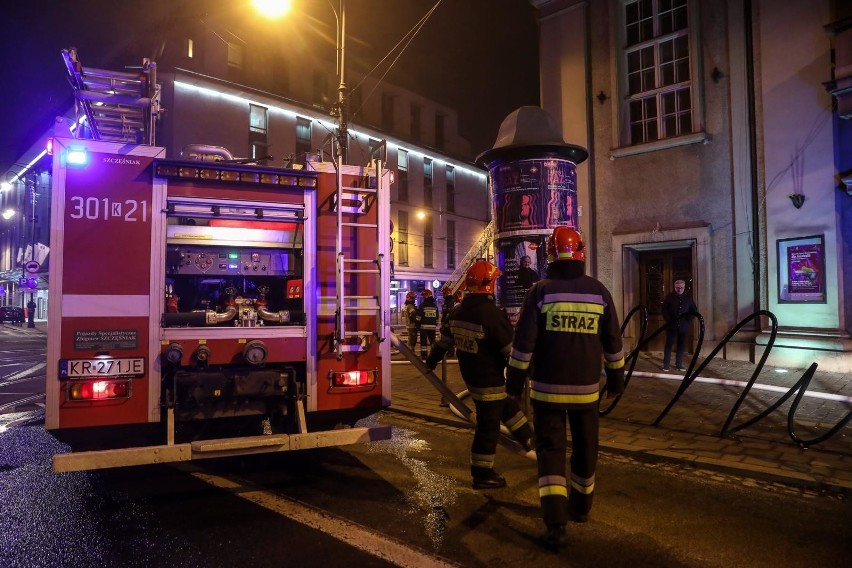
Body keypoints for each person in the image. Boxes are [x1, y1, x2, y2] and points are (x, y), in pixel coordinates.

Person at [506, 226, 625, 551]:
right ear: (581, 252)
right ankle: (581, 509)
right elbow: (613, 343)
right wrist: (616, 380)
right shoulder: (599, 292)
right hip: (587, 393)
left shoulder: (540, 292)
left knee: (551, 455)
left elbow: (523, 345)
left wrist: (514, 384)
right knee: (586, 450)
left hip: (546, 393)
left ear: (549, 256)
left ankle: (556, 525)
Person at [426, 261, 535, 489]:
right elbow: (511, 352)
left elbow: (443, 342)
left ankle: (529, 439)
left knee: (508, 408)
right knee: (488, 427)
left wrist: (431, 361)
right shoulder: (492, 315)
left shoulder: (457, 312)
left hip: (473, 378)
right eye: (494, 281)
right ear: (489, 285)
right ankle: (482, 473)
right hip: (490, 381)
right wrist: (527, 374)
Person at [661, 279, 698, 372]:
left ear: (684, 287)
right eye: (678, 288)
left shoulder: (688, 298)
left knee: (681, 345)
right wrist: (669, 320)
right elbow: (664, 309)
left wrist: (688, 320)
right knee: (669, 345)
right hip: (671, 326)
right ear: (675, 287)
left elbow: (694, 310)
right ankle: (666, 364)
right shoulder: (669, 297)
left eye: (681, 287)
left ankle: (679, 365)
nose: (680, 289)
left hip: (683, 326)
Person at [415, 288, 439, 360]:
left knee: (424, 342)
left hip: (424, 327)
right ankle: (434, 355)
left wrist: (417, 325)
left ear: (426, 296)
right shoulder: (435, 306)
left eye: (423, 296)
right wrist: (435, 324)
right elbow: (437, 317)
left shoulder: (422, 305)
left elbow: (418, 317)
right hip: (432, 328)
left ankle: (424, 355)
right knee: (432, 341)